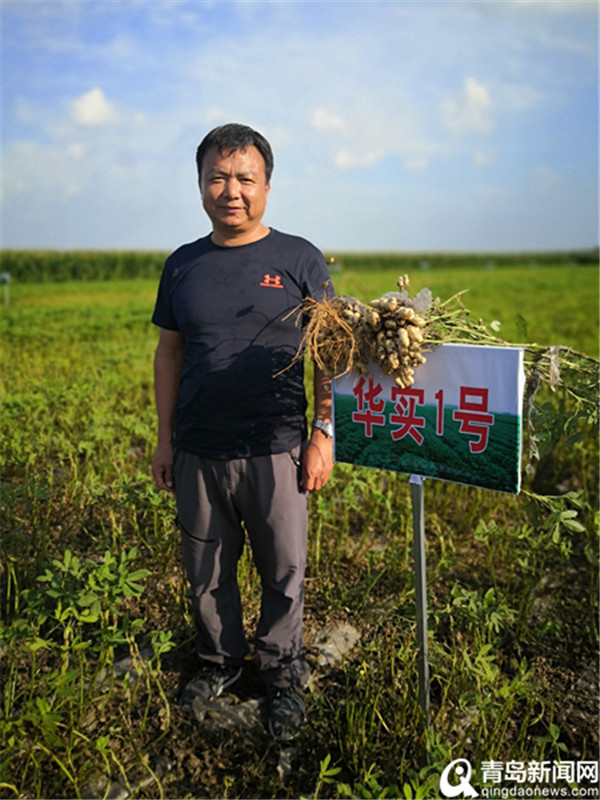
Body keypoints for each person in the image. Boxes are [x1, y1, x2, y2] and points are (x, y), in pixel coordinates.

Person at [151, 123, 334, 741]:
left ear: (267, 186)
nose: (232, 191)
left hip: (278, 444)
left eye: (245, 178)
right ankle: (221, 662)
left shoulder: (299, 258)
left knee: (284, 569)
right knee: (206, 569)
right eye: (218, 177)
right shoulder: (182, 265)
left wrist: (323, 433)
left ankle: (283, 675)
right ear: (201, 184)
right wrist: (165, 438)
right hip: (200, 445)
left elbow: (328, 352)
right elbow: (169, 354)